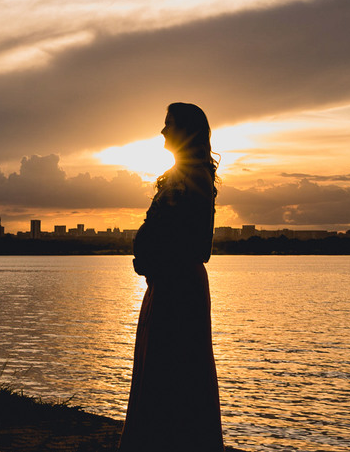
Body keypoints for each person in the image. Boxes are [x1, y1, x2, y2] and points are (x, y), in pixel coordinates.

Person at [120, 102, 224, 452]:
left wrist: (157, 256)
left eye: (169, 124)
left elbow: (199, 246)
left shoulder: (196, 178)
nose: (162, 131)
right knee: (158, 371)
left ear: (186, 132)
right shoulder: (177, 176)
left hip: (180, 290)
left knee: (177, 372)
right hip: (165, 286)